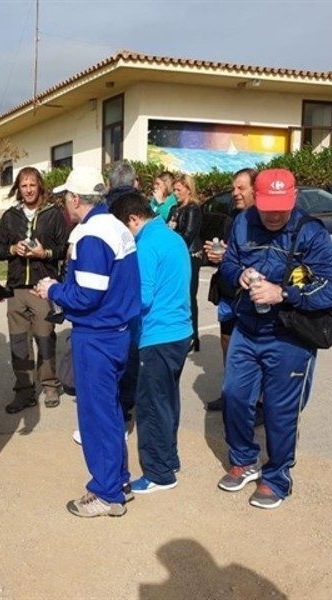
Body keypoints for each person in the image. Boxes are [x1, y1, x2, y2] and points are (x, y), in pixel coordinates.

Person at [217, 168, 332, 509]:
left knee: (280, 409)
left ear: (294, 197)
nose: (274, 214)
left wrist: (283, 293)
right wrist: (239, 273)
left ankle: (277, 477)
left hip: (289, 335)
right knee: (234, 395)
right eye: (268, 205)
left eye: (282, 206)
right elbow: (227, 267)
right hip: (247, 329)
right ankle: (243, 459)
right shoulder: (243, 223)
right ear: (256, 198)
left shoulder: (311, 232)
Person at [35, 166, 141, 518]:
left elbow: (87, 295)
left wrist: (53, 289)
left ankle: (107, 492)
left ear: (75, 198)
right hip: (117, 332)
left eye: (66, 196)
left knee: (96, 416)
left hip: (96, 335)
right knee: (109, 412)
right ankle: (118, 481)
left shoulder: (91, 234)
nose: (65, 203)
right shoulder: (115, 226)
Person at [110, 192, 193, 493]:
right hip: (179, 333)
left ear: (133, 219)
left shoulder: (146, 245)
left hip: (157, 336)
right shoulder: (173, 237)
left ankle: (159, 474)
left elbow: (141, 298)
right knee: (168, 401)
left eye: (124, 229)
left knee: (151, 405)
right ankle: (169, 459)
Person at [0, 167, 68, 413]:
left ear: (40, 187)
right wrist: (13, 249)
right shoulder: (10, 216)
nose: (28, 190)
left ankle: (49, 384)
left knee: (45, 337)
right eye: (23, 185)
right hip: (16, 289)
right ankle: (24, 390)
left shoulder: (53, 214)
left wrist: (43, 253)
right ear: (18, 188)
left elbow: (62, 249)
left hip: (42, 287)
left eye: (32, 185)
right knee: (18, 343)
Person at [203, 168, 262, 418]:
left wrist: (228, 257)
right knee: (227, 342)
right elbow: (231, 256)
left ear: (255, 190)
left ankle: (258, 403)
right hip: (228, 295)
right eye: (233, 188)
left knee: (253, 349)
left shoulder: (261, 219)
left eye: (241, 188)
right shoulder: (233, 218)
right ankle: (231, 394)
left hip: (250, 296)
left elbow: (258, 258)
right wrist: (218, 256)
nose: (234, 193)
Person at [168, 174, 203, 352]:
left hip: (190, 255)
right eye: (174, 189)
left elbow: (188, 235)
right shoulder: (174, 208)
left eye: (178, 190)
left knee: (189, 295)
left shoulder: (193, 209)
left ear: (188, 190)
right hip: (177, 255)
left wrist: (173, 234)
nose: (175, 193)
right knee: (179, 295)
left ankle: (193, 336)